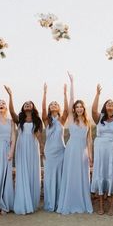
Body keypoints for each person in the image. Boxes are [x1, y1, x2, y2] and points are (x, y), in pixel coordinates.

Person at [56, 73, 93, 214]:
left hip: (82, 151)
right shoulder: (71, 118)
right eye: (77, 107)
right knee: (71, 175)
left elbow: (89, 140)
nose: (78, 109)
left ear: (84, 108)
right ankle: (69, 202)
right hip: (71, 150)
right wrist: (72, 83)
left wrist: (90, 155)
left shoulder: (88, 122)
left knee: (82, 177)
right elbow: (71, 99)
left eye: (81, 107)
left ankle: (82, 202)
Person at [4, 86, 43, 214]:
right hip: (21, 148)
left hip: (33, 148)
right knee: (22, 173)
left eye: (29, 104)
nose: (27, 105)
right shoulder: (19, 119)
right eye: (25, 104)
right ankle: (22, 202)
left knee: (32, 172)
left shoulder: (37, 120)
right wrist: (10, 95)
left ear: (32, 107)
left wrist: (42, 149)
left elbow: (38, 136)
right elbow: (11, 110)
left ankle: (31, 202)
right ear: (23, 107)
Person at [91, 83, 113, 215]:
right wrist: (98, 94)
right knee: (101, 173)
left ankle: (112, 206)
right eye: (108, 103)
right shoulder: (99, 118)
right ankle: (100, 205)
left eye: (112, 103)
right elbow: (93, 110)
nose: (110, 104)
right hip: (101, 150)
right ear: (105, 107)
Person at [42, 82, 68, 211]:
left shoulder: (62, 120)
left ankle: (59, 202)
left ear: (59, 108)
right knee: (49, 177)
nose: (53, 105)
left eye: (56, 104)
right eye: (51, 104)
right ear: (49, 108)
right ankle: (50, 203)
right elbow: (42, 110)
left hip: (61, 151)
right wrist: (45, 93)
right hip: (49, 152)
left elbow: (68, 110)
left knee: (60, 177)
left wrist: (65, 94)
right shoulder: (47, 121)